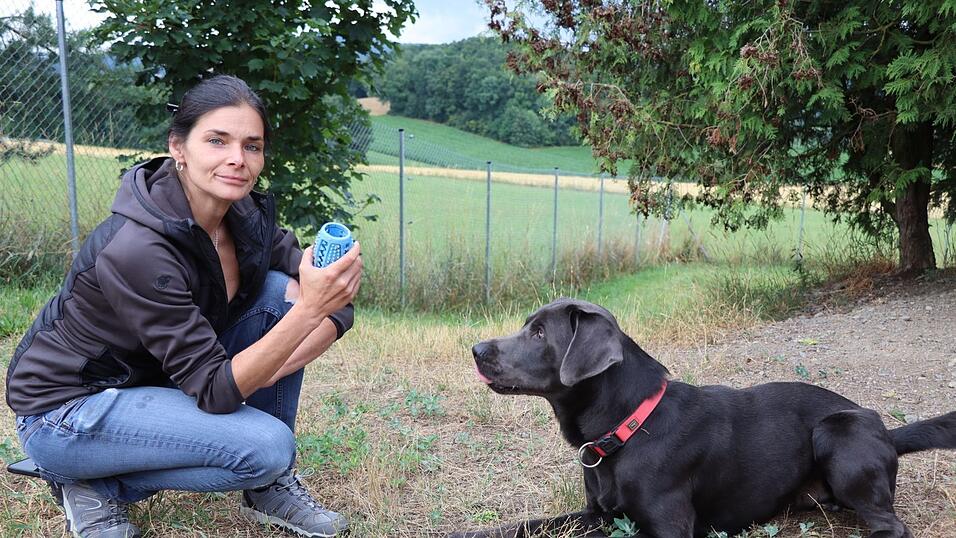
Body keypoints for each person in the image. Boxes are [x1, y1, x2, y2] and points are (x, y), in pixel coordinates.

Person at [5, 75, 362, 538]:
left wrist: (316, 311)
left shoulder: (242, 215)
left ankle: (267, 490)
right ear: (179, 147)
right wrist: (311, 313)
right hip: (68, 409)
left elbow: (326, 297)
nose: (237, 159)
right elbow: (216, 388)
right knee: (269, 447)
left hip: (158, 380)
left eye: (252, 146)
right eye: (217, 140)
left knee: (280, 292)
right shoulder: (138, 248)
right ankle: (85, 479)